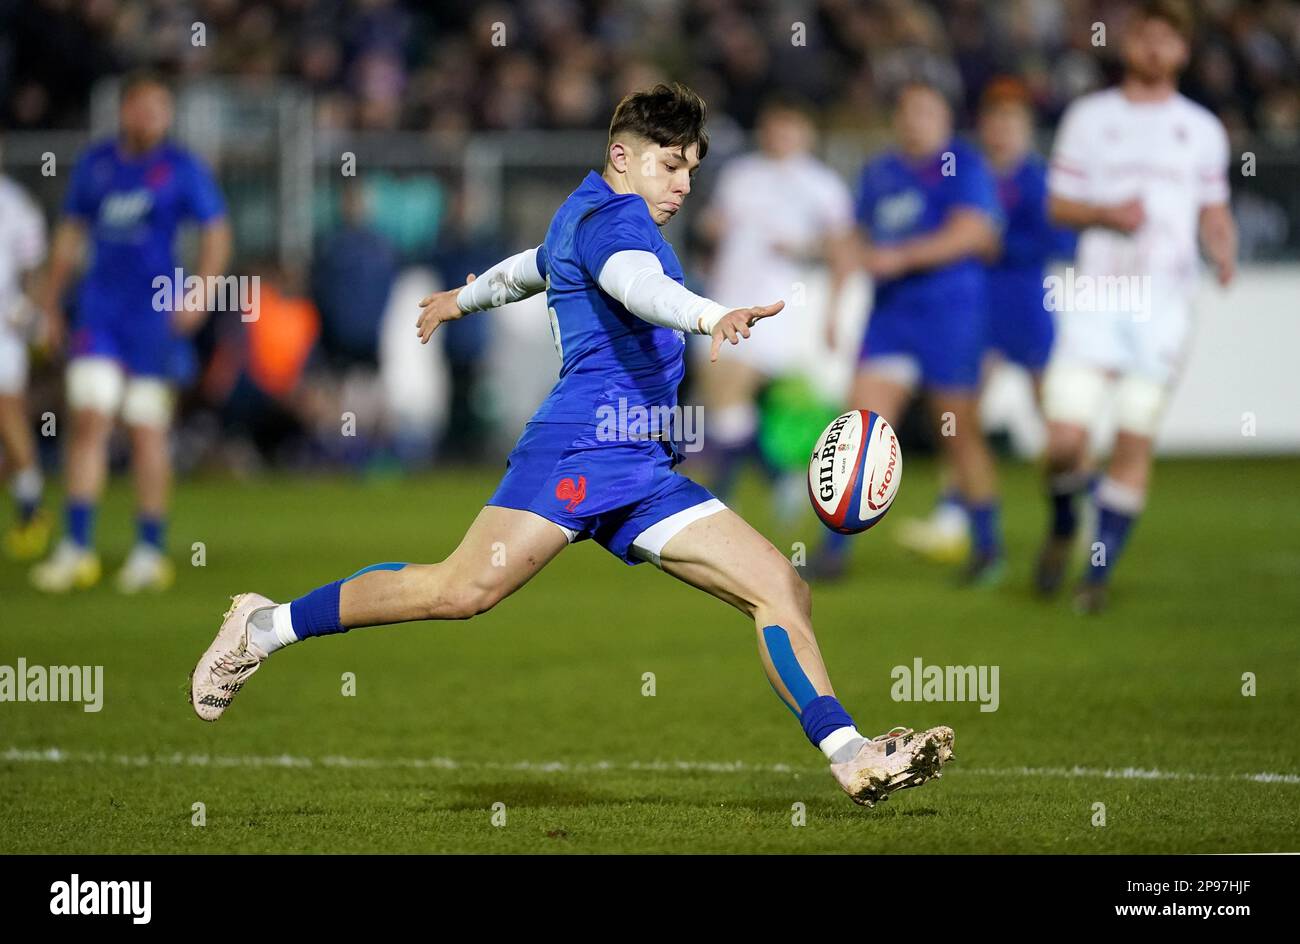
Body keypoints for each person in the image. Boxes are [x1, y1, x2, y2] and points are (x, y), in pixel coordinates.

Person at [189, 83, 954, 808]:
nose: (685, 183)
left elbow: (533, 268)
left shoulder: (581, 212)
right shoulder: (619, 228)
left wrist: (466, 295)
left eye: (691, 167)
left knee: (780, 589)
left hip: (643, 467)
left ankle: (851, 754)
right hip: (577, 451)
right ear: (623, 157)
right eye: (671, 164)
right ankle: (265, 626)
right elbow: (636, 286)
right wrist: (708, 315)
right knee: (460, 591)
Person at [1036, 0, 1236, 613]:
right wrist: (1105, 213)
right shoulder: (1091, 118)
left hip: (1164, 304)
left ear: (1182, 51)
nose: (1153, 47)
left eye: (1165, 39)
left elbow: (1213, 208)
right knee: (1065, 442)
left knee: (1132, 437)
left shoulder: (1202, 128)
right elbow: (1057, 205)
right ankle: (1067, 519)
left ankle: (1096, 573)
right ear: (1127, 45)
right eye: (1143, 36)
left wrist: (1222, 249)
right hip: (1097, 296)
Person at [31, 72, 231, 593]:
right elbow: (70, 237)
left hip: (154, 317)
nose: (151, 118)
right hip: (99, 314)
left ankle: (148, 550)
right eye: (143, 107)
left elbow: (217, 231)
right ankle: (77, 548)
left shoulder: (181, 168)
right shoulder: (96, 166)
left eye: (160, 108)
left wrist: (202, 293)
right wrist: (50, 305)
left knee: (145, 428)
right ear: (125, 111)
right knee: (90, 417)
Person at [816, 80, 1005, 584]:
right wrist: (834, 306)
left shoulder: (962, 164)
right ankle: (832, 551)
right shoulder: (881, 172)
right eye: (908, 111)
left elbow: (976, 233)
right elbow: (854, 240)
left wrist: (901, 256)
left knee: (957, 430)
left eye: (926, 110)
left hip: (951, 313)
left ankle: (988, 546)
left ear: (944, 119)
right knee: (858, 430)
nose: (916, 120)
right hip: (892, 317)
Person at [895, 77, 1076, 564]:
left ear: (1025, 130)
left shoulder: (1037, 179)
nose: (1001, 132)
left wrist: (1003, 247)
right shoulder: (968, 172)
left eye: (1011, 123)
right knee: (962, 419)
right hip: (977, 310)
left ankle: (1079, 503)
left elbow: (1064, 243)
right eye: (995, 122)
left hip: (1024, 308)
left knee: (1053, 417)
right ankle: (954, 517)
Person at [694, 96, 854, 505]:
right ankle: (778, 474)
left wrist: (831, 309)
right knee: (721, 399)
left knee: (734, 390)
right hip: (727, 294)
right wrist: (710, 236)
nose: (781, 135)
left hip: (776, 305)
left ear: (806, 132)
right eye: (774, 125)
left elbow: (842, 251)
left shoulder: (821, 183)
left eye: (790, 126)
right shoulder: (740, 174)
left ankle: (721, 496)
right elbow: (717, 228)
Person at [0, 144, 51, 560]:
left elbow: (34, 269)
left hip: (3, 327)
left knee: (7, 410)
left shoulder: (15, 204)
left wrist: (30, 312)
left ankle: (32, 509)